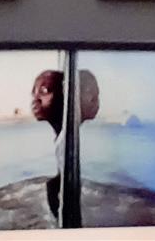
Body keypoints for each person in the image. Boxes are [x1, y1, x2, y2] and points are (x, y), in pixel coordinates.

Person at [31, 69, 100, 219]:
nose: (35, 100)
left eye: (44, 91)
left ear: (64, 94)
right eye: (33, 93)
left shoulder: (68, 135)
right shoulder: (62, 135)